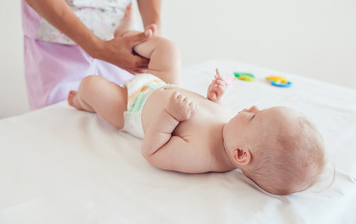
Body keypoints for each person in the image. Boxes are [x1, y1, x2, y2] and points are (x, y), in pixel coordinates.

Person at [68, 15, 325, 195]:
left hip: (133, 108)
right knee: (169, 49)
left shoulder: (203, 156)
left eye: (255, 118)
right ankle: (123, 37)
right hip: (162, 84)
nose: (252, 109)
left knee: (90, 84)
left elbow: (153, 152)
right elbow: (211, 113)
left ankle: (83, 102)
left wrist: (170, 115)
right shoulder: (232, 129)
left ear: (240, 154)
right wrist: (216, 98)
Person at [17, 0, 161, 110]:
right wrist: (97, 48)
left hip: (122, 40)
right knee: (62, 124)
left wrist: (153, 35)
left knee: (128, 114)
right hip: (56, 44)